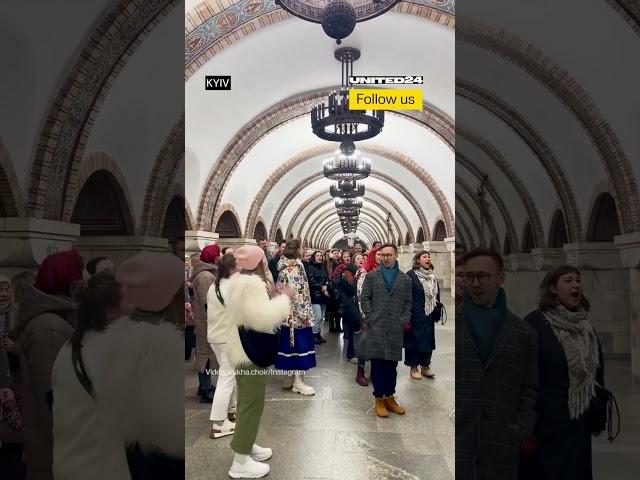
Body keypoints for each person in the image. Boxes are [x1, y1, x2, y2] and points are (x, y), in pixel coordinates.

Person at [456, 248, 538, 480]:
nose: (475, 283)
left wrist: (521, 429)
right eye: (469, 276)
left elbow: (529, 388)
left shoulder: (524, 333)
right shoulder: (456, 324)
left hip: (501, 445)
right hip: (459, 441)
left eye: (483, 276)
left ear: (501, 278)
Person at [519, 266, 605, 480]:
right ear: (553, 288)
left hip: (578, 423)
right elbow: (523, 374)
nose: (575, 285)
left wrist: (597, 414)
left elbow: (597, 374)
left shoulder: (586, 327)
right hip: (546, 424)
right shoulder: (535, 323)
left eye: (577, 280)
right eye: (568, 280)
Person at [219, 245, 294, 478]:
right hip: (249, 353)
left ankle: (245, 444)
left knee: (246, 402)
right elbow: (260, 320)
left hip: (239, 349)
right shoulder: (251, 285)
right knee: (252, 404)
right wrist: (284, 300)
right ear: (258, 262)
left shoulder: (234, 282)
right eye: (264, 258)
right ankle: (240, 462)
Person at [12, 250, 82, 480]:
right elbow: (53, 393)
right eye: (78, 274)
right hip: (55, 444)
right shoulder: (48, 326)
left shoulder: (56, 319)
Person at [360, 244, 412, 418]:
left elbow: (409, 303)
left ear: (396, 255)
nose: (386, 258)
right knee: (378, 365)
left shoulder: (405, 279)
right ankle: (379, 399)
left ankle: (390, 397)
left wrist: (404, 319)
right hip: (377, 326)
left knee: (392, 365)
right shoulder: (372, 276)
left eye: (389, 255)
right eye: (383, 255)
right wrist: (370, 317)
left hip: (395, 328)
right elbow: (364, 297)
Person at [274, 239, 317, 396]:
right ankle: (298, 382)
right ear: (297, 250)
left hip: (286, 315)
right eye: (301, 248)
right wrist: (304, 315)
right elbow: (298, 294)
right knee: (300, 348)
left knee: (289, 347)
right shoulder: (294, 269)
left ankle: (289, 378)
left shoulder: (284, 266)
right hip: (297, 318)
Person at [206, 255, 239, 439]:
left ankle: (231, 410)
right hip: (228, 338)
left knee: (227, 375)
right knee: (226, 379)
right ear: (232, 270)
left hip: (215, 337)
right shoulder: (231, 287)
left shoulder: (215, 285)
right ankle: (218, 424)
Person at [189, 245, 221, 403]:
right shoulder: (205, 277)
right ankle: (205, 388)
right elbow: (207, 302)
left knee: (205, 353)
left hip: (207, 320)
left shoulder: (207, 273)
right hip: (207, 321)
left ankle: (205, 385)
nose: (219, 257)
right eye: (217, 254)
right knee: (204, 354)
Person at [405, 251, 439, 379]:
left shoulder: (431, 276)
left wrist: (437, 311)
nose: (428, 258)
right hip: (415, 314)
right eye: (424, 257)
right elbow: (406, 296)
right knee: (413, 341)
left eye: (429, 256)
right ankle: (413, 367)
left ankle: (425, 366)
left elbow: (436, 294)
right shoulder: (411, 275)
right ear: (418, 260)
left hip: (428, 314)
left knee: (428, 341)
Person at [306, 251, 330, 345]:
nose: (320, 257)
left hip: (323, 295)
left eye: (321, 256)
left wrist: (326, 286)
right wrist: (321, 287)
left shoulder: (322, 266)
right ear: (314, 257)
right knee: (317, 316)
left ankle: (318, 334)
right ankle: (313, 335)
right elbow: (310, 280)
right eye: (317, 255)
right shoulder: (310, 267)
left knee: (322, 317)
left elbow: (326, 278)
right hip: (315, 295)